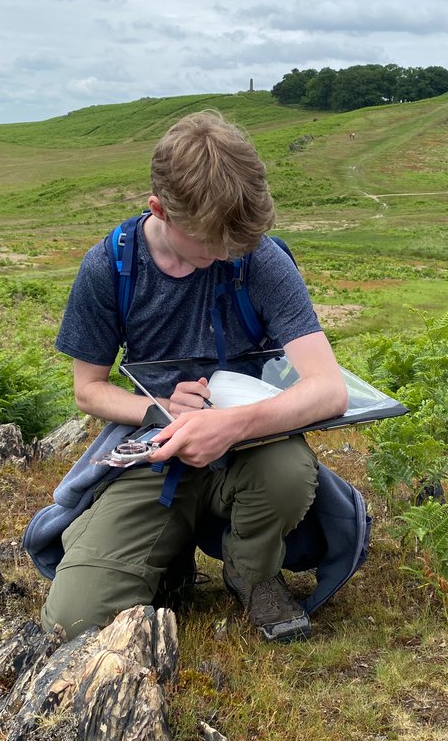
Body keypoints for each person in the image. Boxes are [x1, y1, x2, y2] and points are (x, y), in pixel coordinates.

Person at [42, 110, 348, 642]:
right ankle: (167, 561)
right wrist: (161, 409)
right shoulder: (110, 267)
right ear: (159, 210)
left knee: (288, 472)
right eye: (210, 243)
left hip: (251, 452)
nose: (226, 255)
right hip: (155, 451)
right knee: (73, 622)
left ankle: (252, 573)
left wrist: (230, 426)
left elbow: (330, 389)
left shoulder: (257, 256)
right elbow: (88, 390)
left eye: (236, 244)